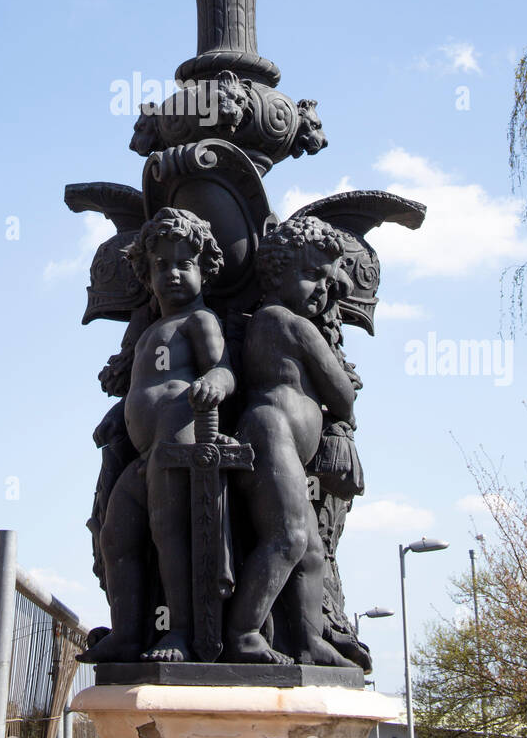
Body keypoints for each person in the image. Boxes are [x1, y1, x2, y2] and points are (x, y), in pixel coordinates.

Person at [78, 207, 234, 664]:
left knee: (172, 535)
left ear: (204, 269)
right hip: (145, 454)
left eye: (184, 264)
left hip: (178, 443)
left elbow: (223, 369)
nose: (171, 274)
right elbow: (142, 386)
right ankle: (127, 632)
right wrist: (117, 416)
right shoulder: (149, 331)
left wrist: (215, 384)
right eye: (161, 265)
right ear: (145, 273)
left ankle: (180, 632)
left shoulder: (199, 321)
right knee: (117, 536)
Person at [225, 214, 356, 666]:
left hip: (288, 448)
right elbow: (341, 393)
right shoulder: (285, 321)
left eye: (328, 279)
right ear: (277, 272)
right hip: (270, 432)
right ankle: (243, 632)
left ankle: (306, 639)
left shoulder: (286, 319)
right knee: (287, 537)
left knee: (311, 550)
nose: (322, 289)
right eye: (311, 276)